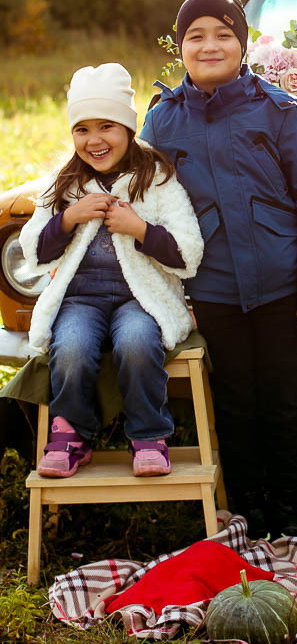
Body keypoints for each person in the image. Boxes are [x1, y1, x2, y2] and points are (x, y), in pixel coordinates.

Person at [140, 0, 297, 538]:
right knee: (234, 403)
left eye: (223, 34)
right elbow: (147, 211)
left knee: (281, 399)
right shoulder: (162, 123)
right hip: (212, 292)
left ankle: (287, 511)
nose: (210, 46)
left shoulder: (277, 112)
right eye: (195, 36)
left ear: (243, 45)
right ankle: (249, 508)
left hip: (280, 290)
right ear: (180, 48)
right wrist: (173, 295)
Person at [20, 63, 204, 479]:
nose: (95, 139)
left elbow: (188, 252)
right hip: (80, 299)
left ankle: (149, 435)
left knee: (139, 342)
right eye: (82, 129)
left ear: (128, 128)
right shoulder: (64, 184)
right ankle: (71, 435)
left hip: (140, 298)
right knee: (69, 348)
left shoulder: (155, 179)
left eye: (107, 126)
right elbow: (34, 248)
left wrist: (140, 229)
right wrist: (67, 219)